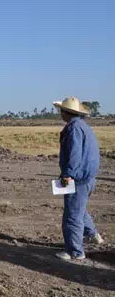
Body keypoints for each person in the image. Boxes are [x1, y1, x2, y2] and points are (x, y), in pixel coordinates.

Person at [53, 96, 104, 261]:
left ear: (66, 112)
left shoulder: (73, 129)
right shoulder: (84, 127)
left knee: (72, 215)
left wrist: (68, 174)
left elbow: (74, 155)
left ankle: (75, 251)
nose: (60, 114)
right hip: (88, 177)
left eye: (61, 111)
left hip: (78, 178)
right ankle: (92, 234)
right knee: (79, 209)